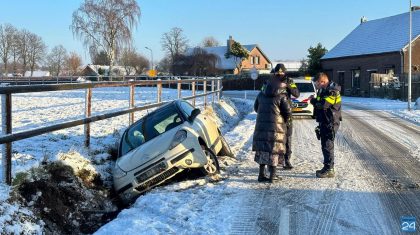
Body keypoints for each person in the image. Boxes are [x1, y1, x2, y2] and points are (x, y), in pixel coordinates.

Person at [252, 74, 292, 183]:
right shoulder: (281, 96)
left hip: (261, 127)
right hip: (276, 128)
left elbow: (256, 108)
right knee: (274, 151)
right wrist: (284, 120)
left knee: (263, 151)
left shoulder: (261, 94)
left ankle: (261, 175)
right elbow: (288, 112)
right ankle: (272, 176)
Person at [309, 73, 342, 178]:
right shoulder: (323, 90)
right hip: (324, 120)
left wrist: (312, 101)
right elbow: (320, 102)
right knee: (324, 145)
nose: (316, 85)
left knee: (328, 145)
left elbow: (324, 105)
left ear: (322, 81)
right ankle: (326, 167)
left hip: (330, 121)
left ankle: (330, 169)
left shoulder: (332, 90)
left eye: (316, 83)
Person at [268, 63, 300, 170]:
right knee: (274, 138)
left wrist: (287, 86)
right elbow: (264, 91)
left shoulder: (289, 81)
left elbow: (296, 94)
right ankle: (274, 161)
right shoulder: (271, 80)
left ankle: (287, 160)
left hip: (286, 113)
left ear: (285, 72)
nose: (280, 74)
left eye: (282, 72)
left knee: (288, 137)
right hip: (275, 113)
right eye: (278, 72)